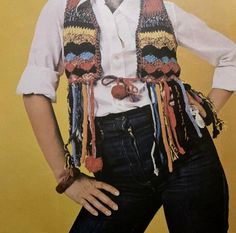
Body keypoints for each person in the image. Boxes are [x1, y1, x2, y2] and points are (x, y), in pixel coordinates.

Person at [16, 0, 236, 232]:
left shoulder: (162, 9)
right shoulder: (61, 10)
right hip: (116, 165)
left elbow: (230, 57)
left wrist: (207, 107)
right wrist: (66, 177)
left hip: (185, 154)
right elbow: (35, 91)